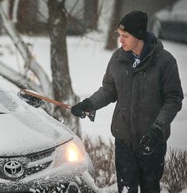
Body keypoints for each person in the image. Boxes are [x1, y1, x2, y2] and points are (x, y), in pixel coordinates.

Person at [71, 10, 183, 192]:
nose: (120, 40)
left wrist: (158, 127)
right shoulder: (118, 58)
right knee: (126, 189)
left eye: (125, 36)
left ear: (139, 36)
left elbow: (174, 98)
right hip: (124, 141)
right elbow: (108, 90)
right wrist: (89, 104)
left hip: (152, 141)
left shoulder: (164, 61)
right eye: (119, 36)